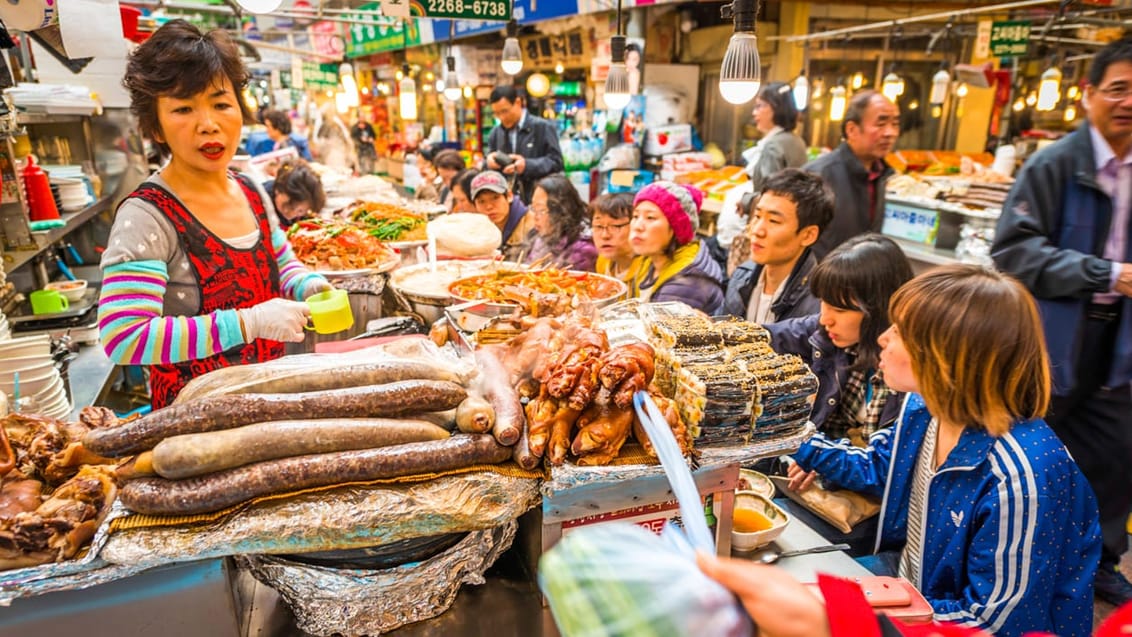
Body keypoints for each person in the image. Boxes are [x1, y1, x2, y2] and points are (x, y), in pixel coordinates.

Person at [785, 264, 1102, 637]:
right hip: (911, 582)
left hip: (945, 620)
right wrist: (786, 435)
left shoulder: (1020, 478)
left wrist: (860, 622)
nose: (883, 338)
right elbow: (877, 467)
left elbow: (994, 623)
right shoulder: (923, 407)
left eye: (900, 332)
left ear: (948, 356)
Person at [98, 20, 330, 409]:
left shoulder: (251, 189)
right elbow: (124, 336)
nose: (208, 124)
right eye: (183, 108)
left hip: (269, 402)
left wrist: (308, 285)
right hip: (193, 425)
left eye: (221, 104)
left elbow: (281, 262)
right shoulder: (148, 215)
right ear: (155, 126)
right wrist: (249, 322)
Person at [991, 36, 1132, 606]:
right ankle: (1029, 567)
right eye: (1118, 88)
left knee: (1117, 457)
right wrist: (1107, 274)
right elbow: (1014, 252)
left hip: (1122, 343)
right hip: (1056, 341)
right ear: (1088, 94)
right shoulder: (1054, 166)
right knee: (1039, 457)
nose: (1128, 102)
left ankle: (1099, 561)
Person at [766, 234, 912, 443]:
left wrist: (819, 455)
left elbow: (882, 463)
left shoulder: (909, 374)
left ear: (879, 310)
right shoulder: (828, 330)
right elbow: (770, 336)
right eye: (823, 303)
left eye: (839, 310)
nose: (825, 319)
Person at [723, 169, 833, 324]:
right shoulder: (741, 277)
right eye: (757, 216)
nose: (757, 230)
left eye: (773, 221)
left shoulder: (820, 302)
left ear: (808, 235)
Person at [803, 90, 899, 259]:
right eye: (881, 123)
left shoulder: (881, 174)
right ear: (852, 129)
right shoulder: (819, 175)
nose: (890, 132)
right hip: (822, 280)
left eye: (895, 124)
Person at [716, 82, 810, 251]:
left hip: (767, 231)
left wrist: (747, 201)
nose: (754, 113)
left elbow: (771, 194)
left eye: (760, 106)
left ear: (776, 108)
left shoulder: (774, 146)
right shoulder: (796, 141)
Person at [628, 181, 724, 314]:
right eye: (635, 216)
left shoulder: (688, 283)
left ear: (676, 228)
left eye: (650, 217)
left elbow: (658, 331)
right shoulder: (651, 259)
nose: (637, 226)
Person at [484, 85, 564, 204]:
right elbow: (487, 171)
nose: (502, 117)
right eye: (497, 113)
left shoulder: (542, 127)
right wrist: (488, 162)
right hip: (508, 203)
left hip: (539, 201)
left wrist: (527, 166)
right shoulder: (496, 133)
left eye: (505, 111)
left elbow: (557, 162)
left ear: (518, 102)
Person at [526, 174, 597, 271]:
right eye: (533, 209)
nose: (535, 217)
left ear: (561, 211)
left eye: (541, 210)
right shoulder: (540, 238)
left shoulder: (582, 250)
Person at [470, 170, 533, 262]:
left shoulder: (530, 225)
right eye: (481, 201)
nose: (489, 206)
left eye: (495, 198)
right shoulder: (477, 228)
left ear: (509, 196)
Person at [590, 192, 642, 282]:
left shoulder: (649, 269)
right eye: (598, 226)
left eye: (615, 226)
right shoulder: (603, 261)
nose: (605, 235)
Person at [264, 159, 325, 229]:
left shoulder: (306, 210)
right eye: (289, 207)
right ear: (277, 190)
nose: (291, 215)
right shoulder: (260, 201)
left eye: (300, 211)